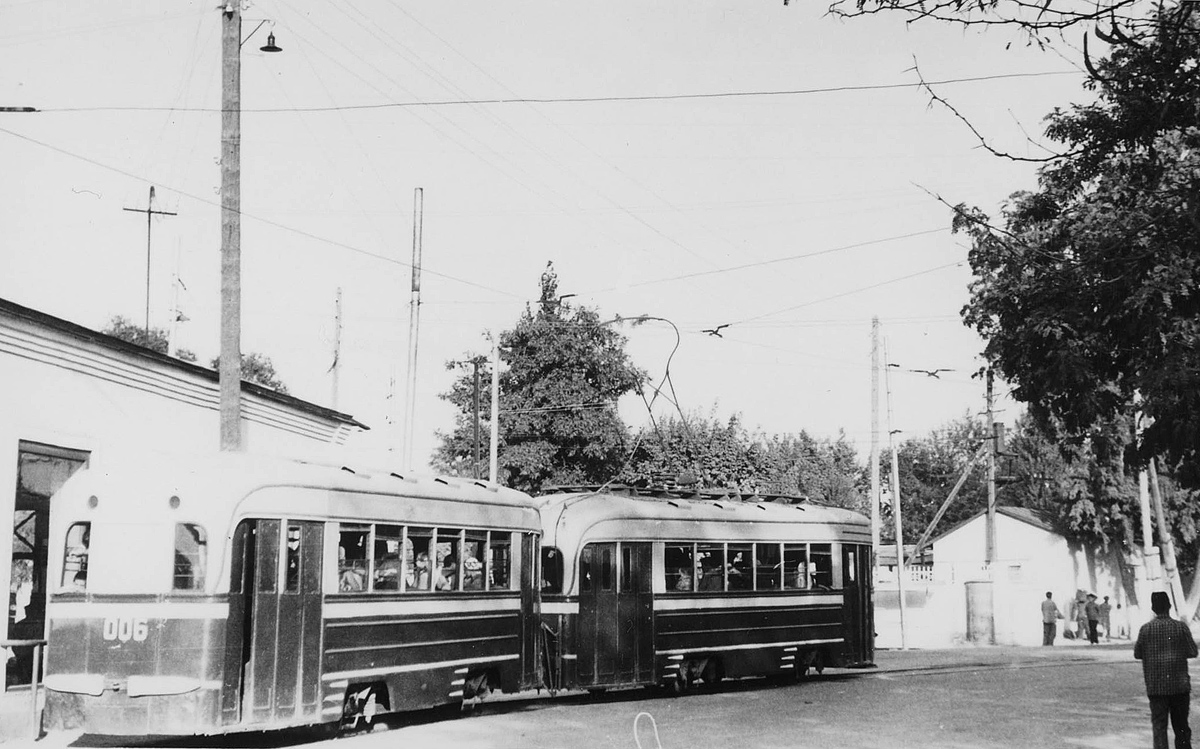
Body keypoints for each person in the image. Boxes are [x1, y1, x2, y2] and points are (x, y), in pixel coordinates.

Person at [1134, 591, 1197, 749]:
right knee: (1181, 726)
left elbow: (1137, 654)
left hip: (1156, 687)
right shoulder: (1180, 627)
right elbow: (1192, 651)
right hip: (1179, 687)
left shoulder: (1145, 629)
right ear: (1169, 606)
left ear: (1153, 608)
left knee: (1159, 728)